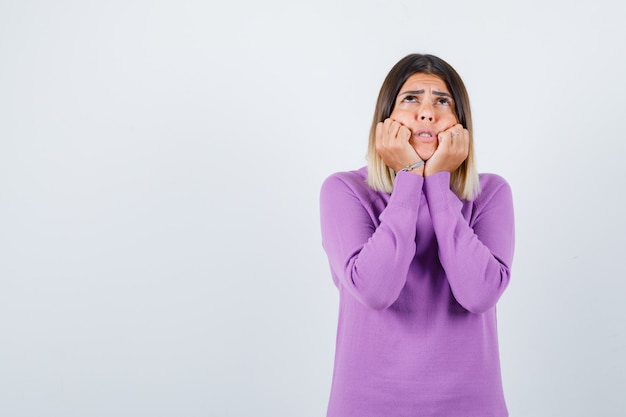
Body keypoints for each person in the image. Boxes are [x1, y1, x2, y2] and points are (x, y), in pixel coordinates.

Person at [319, 53, 515, 417]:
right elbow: (375, 290)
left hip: (471, 406)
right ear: (386, 120)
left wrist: (437, 188)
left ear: (460, 124)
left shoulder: (490, 193)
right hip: (367, 406)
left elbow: (480, 294)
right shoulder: (344, 190)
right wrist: (410, 178)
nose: (428, 112)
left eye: (442, 101)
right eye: (411, 98)